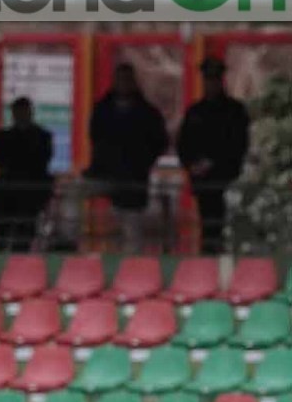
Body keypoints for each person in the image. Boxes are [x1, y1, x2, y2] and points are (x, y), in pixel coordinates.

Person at [86, 64, 168, 253]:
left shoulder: (147, 113)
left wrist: (141, 162)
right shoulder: (102, 110)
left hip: (134, 182)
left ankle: (132, 271)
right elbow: (94, 137)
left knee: (132, 232)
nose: (123, 83)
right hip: (104, 177)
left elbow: (159, 142)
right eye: (119, 79)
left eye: (126, 79)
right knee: (104, 226)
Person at [177, 56, 250, 256]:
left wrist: (214, 163)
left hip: (227, 179)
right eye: (208, 79)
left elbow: (237, 144)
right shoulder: (195, 111)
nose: (211, 83)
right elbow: (183, 144)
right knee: (207, 226)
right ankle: (207, 259)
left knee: (224, 226)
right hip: (202, 181)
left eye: (215, 79)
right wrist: (192, 164)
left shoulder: (234, 111)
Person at [0, 96, 53, 252]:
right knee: (2, 234)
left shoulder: (42, 137)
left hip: (30, 194)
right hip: (6, 195)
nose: (22, 114)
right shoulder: (3, 137)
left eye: (25, 111)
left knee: (25, 234)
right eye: (19, 111)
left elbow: (42, 159)